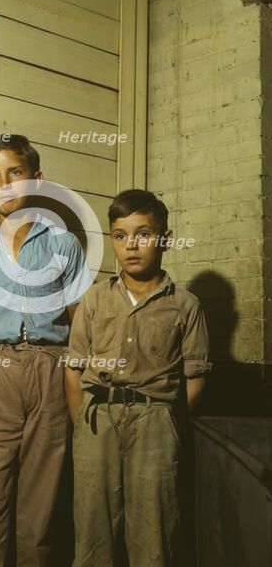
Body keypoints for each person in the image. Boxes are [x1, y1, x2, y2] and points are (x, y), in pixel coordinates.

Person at [0, 135, 91, 567]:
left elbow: (81, 323)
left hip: (51, 369)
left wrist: (70, 377)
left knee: (40, 508)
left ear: (37, 181)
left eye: (15, 173)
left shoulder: (63, 243)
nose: (4, 184)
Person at [66, 189, 211, 567]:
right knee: (92, 533)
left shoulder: (185, 305)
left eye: (143, 234)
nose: (131, 245)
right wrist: (81, 422)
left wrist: (170, 425)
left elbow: (195, 376)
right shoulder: (95, 299)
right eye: (120, 235)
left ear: (165, 239)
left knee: (154, 536)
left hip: (156, 423)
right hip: (97, 421)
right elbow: (74, 366)